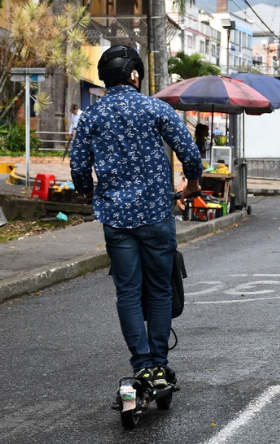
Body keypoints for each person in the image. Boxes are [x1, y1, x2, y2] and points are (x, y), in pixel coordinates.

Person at [71, 45, 203, 388]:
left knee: (127, 293)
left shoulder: (91, 115)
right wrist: (193, 183)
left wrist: (89, 191)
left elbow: (78, 167)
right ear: (134, 75)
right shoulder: (154, 107)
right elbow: (189, 151)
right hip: (156, 214)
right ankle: (159, 366)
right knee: (160, 289)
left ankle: (141, 365)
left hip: (115, 219)